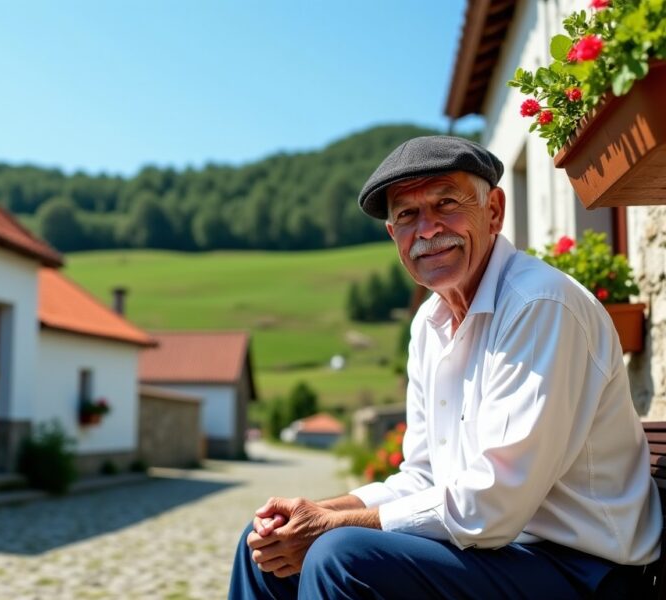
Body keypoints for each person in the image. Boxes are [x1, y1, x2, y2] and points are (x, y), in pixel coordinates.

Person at [229, 136, 661, 599]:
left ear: (493, 211)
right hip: (500, 554)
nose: (428, 229)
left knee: (340, 557)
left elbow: (494, 502)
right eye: (407, 215)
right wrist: (314, 514)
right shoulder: (429, 324)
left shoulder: (539, 305)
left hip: (586, 571)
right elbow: (424, 477)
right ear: (394, 236)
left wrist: (332, 526)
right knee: (266, 549)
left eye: (446, 204)